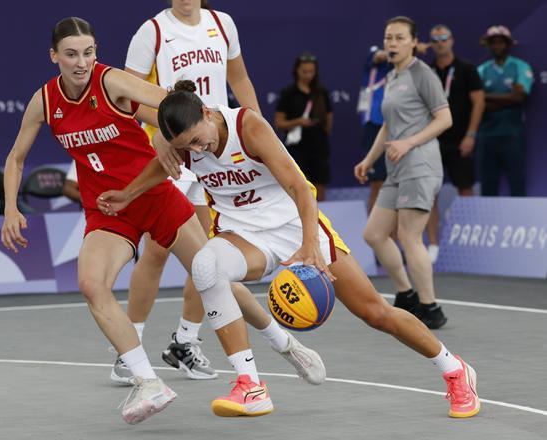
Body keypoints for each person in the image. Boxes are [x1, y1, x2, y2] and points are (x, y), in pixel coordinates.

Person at [0, 17, 319, 424]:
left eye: (89, 52)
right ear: (54, 57)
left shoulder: (112, 82)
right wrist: (12, 207)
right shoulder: (44, 101)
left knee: (213, 278)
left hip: (153, 195)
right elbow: (15, 158)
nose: (81, 62)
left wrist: (160, 135)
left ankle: (285, 345)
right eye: (71, 54)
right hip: (109, 208)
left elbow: (172, 105)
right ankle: (147, 381)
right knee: (91, 285)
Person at [98, 80, 481, 419]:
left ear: (206, 111)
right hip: (243, 234)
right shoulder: (184, 143)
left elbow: (302, 188)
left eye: (199, 140)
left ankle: (454, 369)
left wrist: (310, 245)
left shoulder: (247, 127)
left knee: (375, 313)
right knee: (206, 267)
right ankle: (250, 385)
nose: (199, 149)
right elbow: (162, 167)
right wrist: (128, 194)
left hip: (295, 225)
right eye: (187, 147)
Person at [117, 0, 262, 383]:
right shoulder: (152, 31)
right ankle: (127, 348)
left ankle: (185, 340)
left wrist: (258, 130)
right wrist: (167, 132)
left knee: (209, 251)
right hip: (174, 153)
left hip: (216, 150)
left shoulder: (222, 23)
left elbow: (241, 81)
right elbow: (128, 98)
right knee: (159, 250)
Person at [354, 16, 451, 329]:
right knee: (374, 234)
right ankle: (406, 295)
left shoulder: (423, 74)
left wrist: (409, 142)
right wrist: (369, 160)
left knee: (410, 237)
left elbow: (444, 119)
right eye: (388, 38)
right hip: (396, 168)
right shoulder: (393, 76)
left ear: (413, 42)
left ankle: (430, 307)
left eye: (398, 38)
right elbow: (387, 125)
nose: (392, 43)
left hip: (420, 165)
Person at [425, 24, 485, 263]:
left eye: (444, 38)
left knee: (466, 188)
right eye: (436, 39)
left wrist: (470, 135)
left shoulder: (467, 69)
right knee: (430, 194)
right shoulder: (426, 72)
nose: (440, 43)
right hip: (432, 142)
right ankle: (433, 244)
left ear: (452, 40)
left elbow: (479, 103)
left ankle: (468, 242)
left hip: (461, 140)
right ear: (431, 43)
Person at [477, 25, 533, 197]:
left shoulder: (521, 67)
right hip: (487, 135)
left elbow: (519, 98)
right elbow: (477, 102)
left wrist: (487, 96)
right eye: (493, 42)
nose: (497, 46)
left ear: (508, 44)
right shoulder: (482, 70)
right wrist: (507, 99)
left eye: (501, 42)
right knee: (488, 185)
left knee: (517, 182)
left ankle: (521, 222)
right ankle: (488, 223)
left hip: (512, 133)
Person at [274, 52, 332, 201]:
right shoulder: (288, 93)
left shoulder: (321, 92)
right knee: (298, 187)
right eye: (304, 71)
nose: (308, 75)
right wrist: (298, 122)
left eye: (311, 71)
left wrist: (322, 135)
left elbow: (328, 120)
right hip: (296, 149)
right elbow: (279, 123)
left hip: (319, 147)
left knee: (320, 187)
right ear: (297, 71)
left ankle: (320, 221)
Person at [357, 46, 392, 213]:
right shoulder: (374, 55)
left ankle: (394, 236)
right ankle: (374, 235)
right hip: (374, 126)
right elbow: (378, 56)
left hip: (396, 126)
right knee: (378, 183)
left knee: (396, 184)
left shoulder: (405, 69)